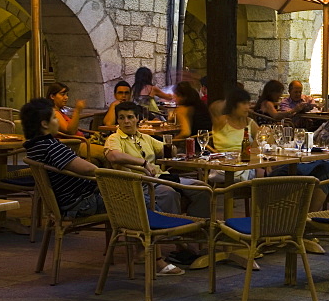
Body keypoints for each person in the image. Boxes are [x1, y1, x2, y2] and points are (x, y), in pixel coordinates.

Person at [104, 102, 212, 272]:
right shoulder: (114, 139)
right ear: (117, 120)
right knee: (169, 193)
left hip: (162, 177)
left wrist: (172, 148)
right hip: (139, 184)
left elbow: (167, 150)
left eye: (130, 117)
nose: (126, 121)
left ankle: (194, 237)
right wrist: (143, 162)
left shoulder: (143, 137)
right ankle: (178, 244)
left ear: (137, 119)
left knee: (203, 189)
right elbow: (114, 156)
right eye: (122, 118)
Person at [22, 98, 104, 219]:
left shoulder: (34, 146)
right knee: (136, 202)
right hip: (81, 203)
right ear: (44, 124)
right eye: (55, 118)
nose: (58, 122)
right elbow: (91, 170)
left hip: (68, 202)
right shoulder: (51, 146)